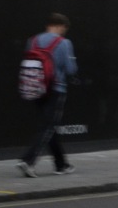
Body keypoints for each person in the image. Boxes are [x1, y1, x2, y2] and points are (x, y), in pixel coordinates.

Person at [17, 12, 78, 177]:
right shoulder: (64, 43)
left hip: (36, 87)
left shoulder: (33, 41)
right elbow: (71, 69)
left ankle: (61, 165)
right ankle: (28, 161)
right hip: (56, 89)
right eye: (64, 29)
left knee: (49, 127)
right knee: (48, 127)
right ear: (61, 26)